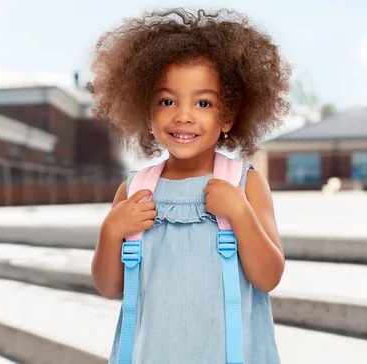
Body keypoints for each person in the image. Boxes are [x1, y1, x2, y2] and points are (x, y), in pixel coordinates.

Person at [89, 8, 291, 364]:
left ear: (227, 116)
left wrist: (240, 214)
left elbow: (269, 276)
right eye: (167, 101)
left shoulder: (245, 185)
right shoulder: (135, 189)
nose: (183, 115)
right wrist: (111, 231)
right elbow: (110, 287)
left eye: (203, 102)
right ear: (146, 113)